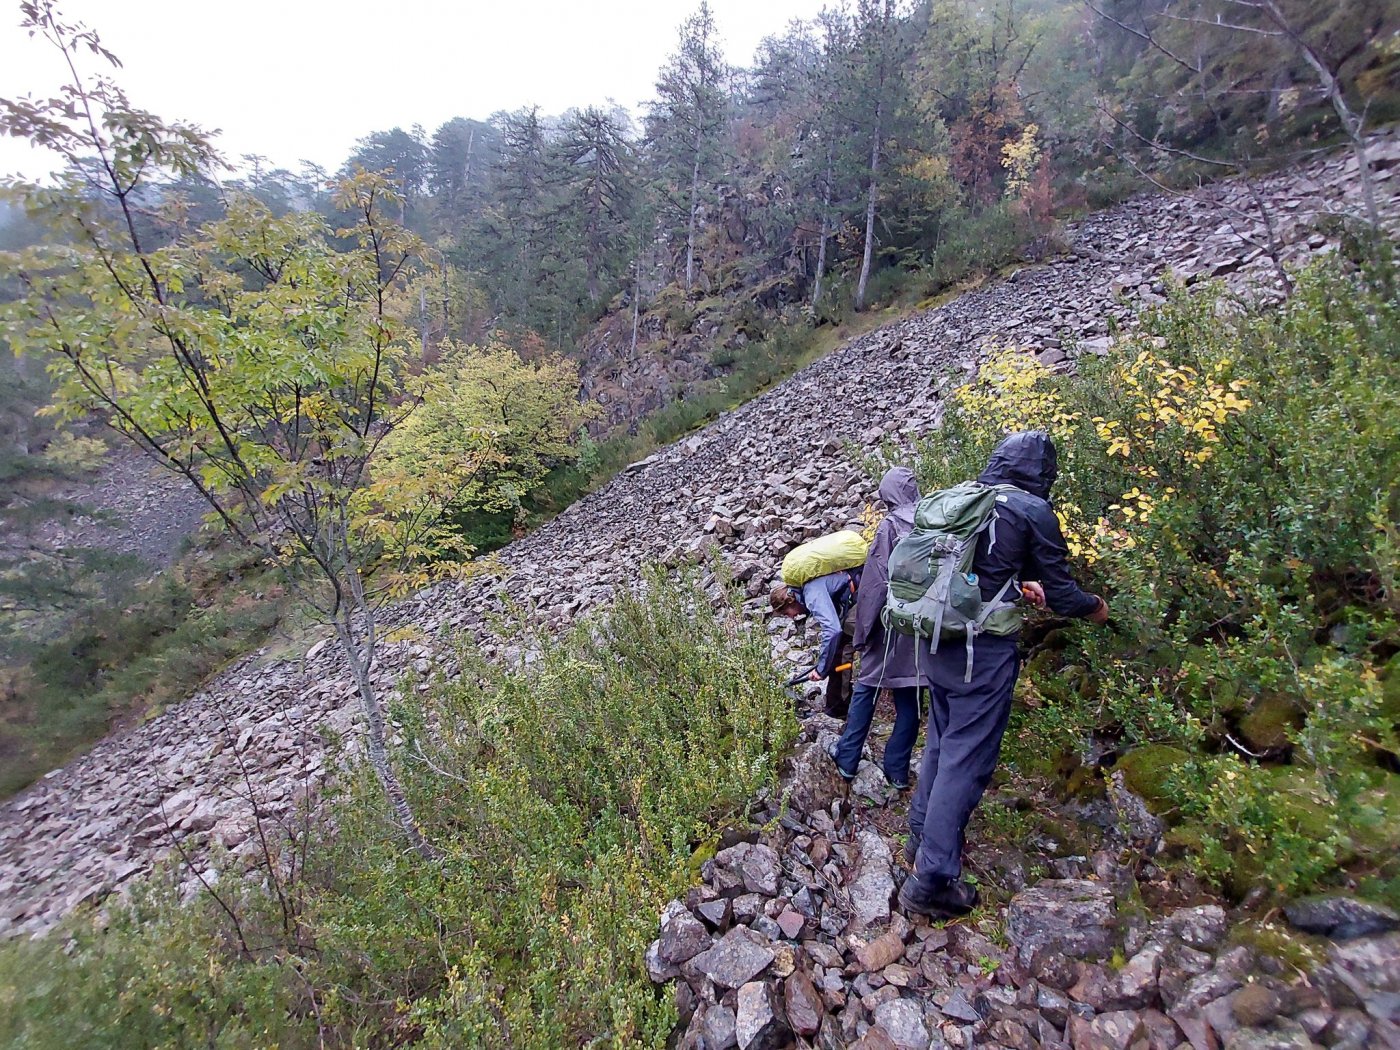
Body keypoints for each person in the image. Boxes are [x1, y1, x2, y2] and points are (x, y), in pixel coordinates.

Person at [899, 431, 1110, 919]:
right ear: (1041, 471)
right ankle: (931, 881)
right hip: (982, 656)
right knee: (965, 759)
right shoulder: (1032, 510)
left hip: (937, 644)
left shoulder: (965, 496)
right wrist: (1097, 609)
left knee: (942, 743)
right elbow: (1064, 596)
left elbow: (981, 571)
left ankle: (917, 843)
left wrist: (1017, 585)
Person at [829, 466, 928, 788]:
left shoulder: (891, 525)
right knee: (910, 698)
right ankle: (897, 772)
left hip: (890, 627)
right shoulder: (934, 520)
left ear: (887, 494)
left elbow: (874, 586)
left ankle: (847, 759)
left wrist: (862, 633)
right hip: (924, 627)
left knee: (866, 690)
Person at [770, 560, 862, 718]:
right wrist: (823, 664)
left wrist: (821, 670)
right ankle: (840, 703)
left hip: (864, 595)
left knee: (841, 651)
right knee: (839, 653)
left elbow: (832, 630)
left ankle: (838, 709)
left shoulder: (811, 594)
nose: (792, 617)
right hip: (858, 595)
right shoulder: (808, 590)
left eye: (787, 613)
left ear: (790, 601)